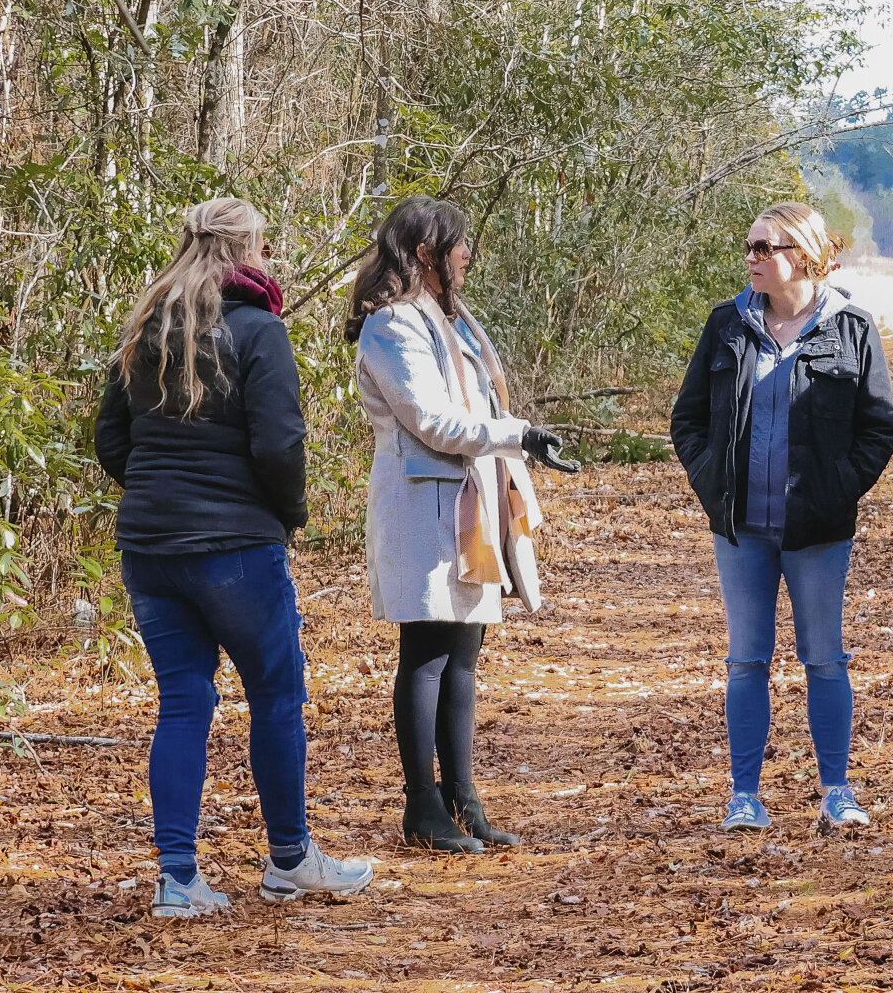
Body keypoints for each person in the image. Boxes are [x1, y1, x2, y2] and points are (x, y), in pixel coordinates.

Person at [95, 197, 374, 918]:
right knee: (277, 697)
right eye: (263, 244)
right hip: (237, 549)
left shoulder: (144, 328)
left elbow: (110, 442)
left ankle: (178, 881)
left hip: (151, 547)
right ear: (246, 249)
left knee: (183, 704)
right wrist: (288, 516)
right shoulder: (257, 330)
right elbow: (279, 443)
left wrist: (161, 494)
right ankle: (289, 860)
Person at [347, 196, 579, 853]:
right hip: (424, 508)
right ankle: (422, 807)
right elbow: (433, 422)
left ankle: (463, 801)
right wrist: (521, 436)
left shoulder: (455, 321)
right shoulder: (393, 326)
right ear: (425, 255)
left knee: (464, 660)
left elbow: (472, 405)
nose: (468, 254)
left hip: (468, 504)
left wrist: (515, 444)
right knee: (425, 656)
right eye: (458, 245)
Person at [669, 201, 893, 834]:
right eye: (749, 247)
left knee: (824, 657)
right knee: (746, 659)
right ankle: (744, 795)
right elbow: (687, 420)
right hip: (742, 529)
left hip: (817, 531)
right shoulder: (726, 325)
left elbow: (877, 429)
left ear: (802, 253)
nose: (752, 259)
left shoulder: (851, 326)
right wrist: (714, 486)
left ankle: (836, 792)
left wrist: (837, 491)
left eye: (764, 248)